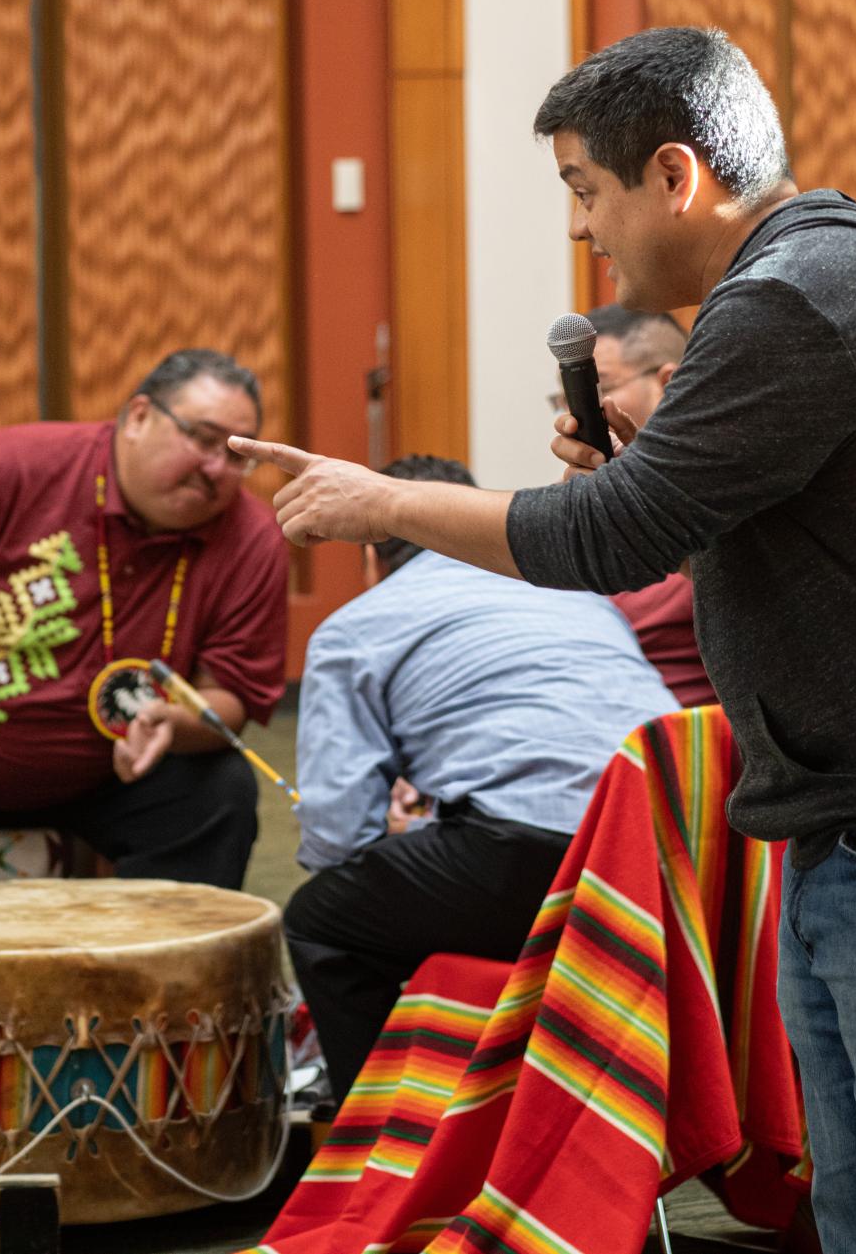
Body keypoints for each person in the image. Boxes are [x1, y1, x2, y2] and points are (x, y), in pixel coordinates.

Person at [232, 26, 856, 1254]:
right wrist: (646, 479)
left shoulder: (795, 299)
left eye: (583, 190)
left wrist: (378, 501)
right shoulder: (809, 274)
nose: (579, 229)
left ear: (671, 174)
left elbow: (607, 540)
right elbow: (681, 532)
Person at [283, 453, 676, 1108]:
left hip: (532, 863)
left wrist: (397, 837)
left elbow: (335, 834)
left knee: (322, 921)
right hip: (676, 851)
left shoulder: (353, 628)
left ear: (371, 559)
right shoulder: (580, 593)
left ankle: (388, 1139)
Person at [0, 348, 287, 891]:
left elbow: (229, 698)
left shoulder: (252, 540)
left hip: (111, 773)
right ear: (140, 416)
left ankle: (153, 972)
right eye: (201, 437)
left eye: (237, 455)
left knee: (219, 788)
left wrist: (176, 725)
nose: (216, 467)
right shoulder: (9, 467)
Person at [552, 304, 715, 706]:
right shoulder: (599, 499)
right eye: (563, 397)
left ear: (667, 383)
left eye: (600, 388)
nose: (573, 411)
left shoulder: (715, 500)